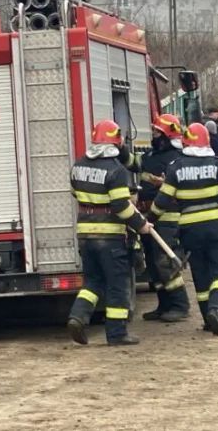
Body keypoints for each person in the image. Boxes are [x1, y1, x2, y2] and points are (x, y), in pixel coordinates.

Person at [151, 123, 218, 336]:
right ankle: (217, 309)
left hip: (189, 230)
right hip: (216, 228)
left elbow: (163, 200)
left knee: (201, 274)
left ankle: (207, 318)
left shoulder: (176, 167)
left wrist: (150, 219)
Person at [67, 120, 152, 346]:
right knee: (117, 283)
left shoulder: (78, 165)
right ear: (116, 142)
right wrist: (142, 225)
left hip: (85, 234)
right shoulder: (116, 170)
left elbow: (75, 193)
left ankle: (77, 316)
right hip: (111, 237)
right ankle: (116, 334)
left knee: (92, 281)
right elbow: (121, 207)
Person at [137, 114, 191, 323]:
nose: (154, 135)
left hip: (169, 217)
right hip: (149, 216)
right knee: (152, 262)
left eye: (157, 132)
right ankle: (164, 304)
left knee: (165, 260)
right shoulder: (151, 156)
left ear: (167, 134)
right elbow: (135, 164)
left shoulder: (179, 158)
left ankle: (180, 304)